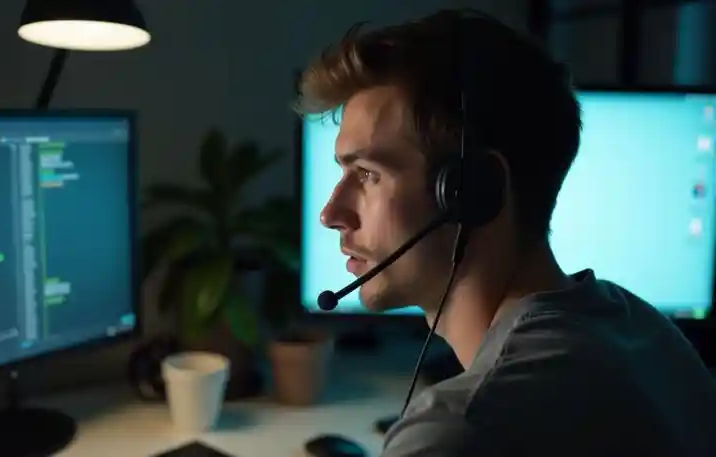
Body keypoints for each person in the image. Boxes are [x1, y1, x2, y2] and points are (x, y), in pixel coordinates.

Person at [295, 8, 716, 457]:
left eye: (367, 175)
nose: (330, 213)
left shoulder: (462, 429)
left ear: (473, 191)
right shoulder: (648, 335)